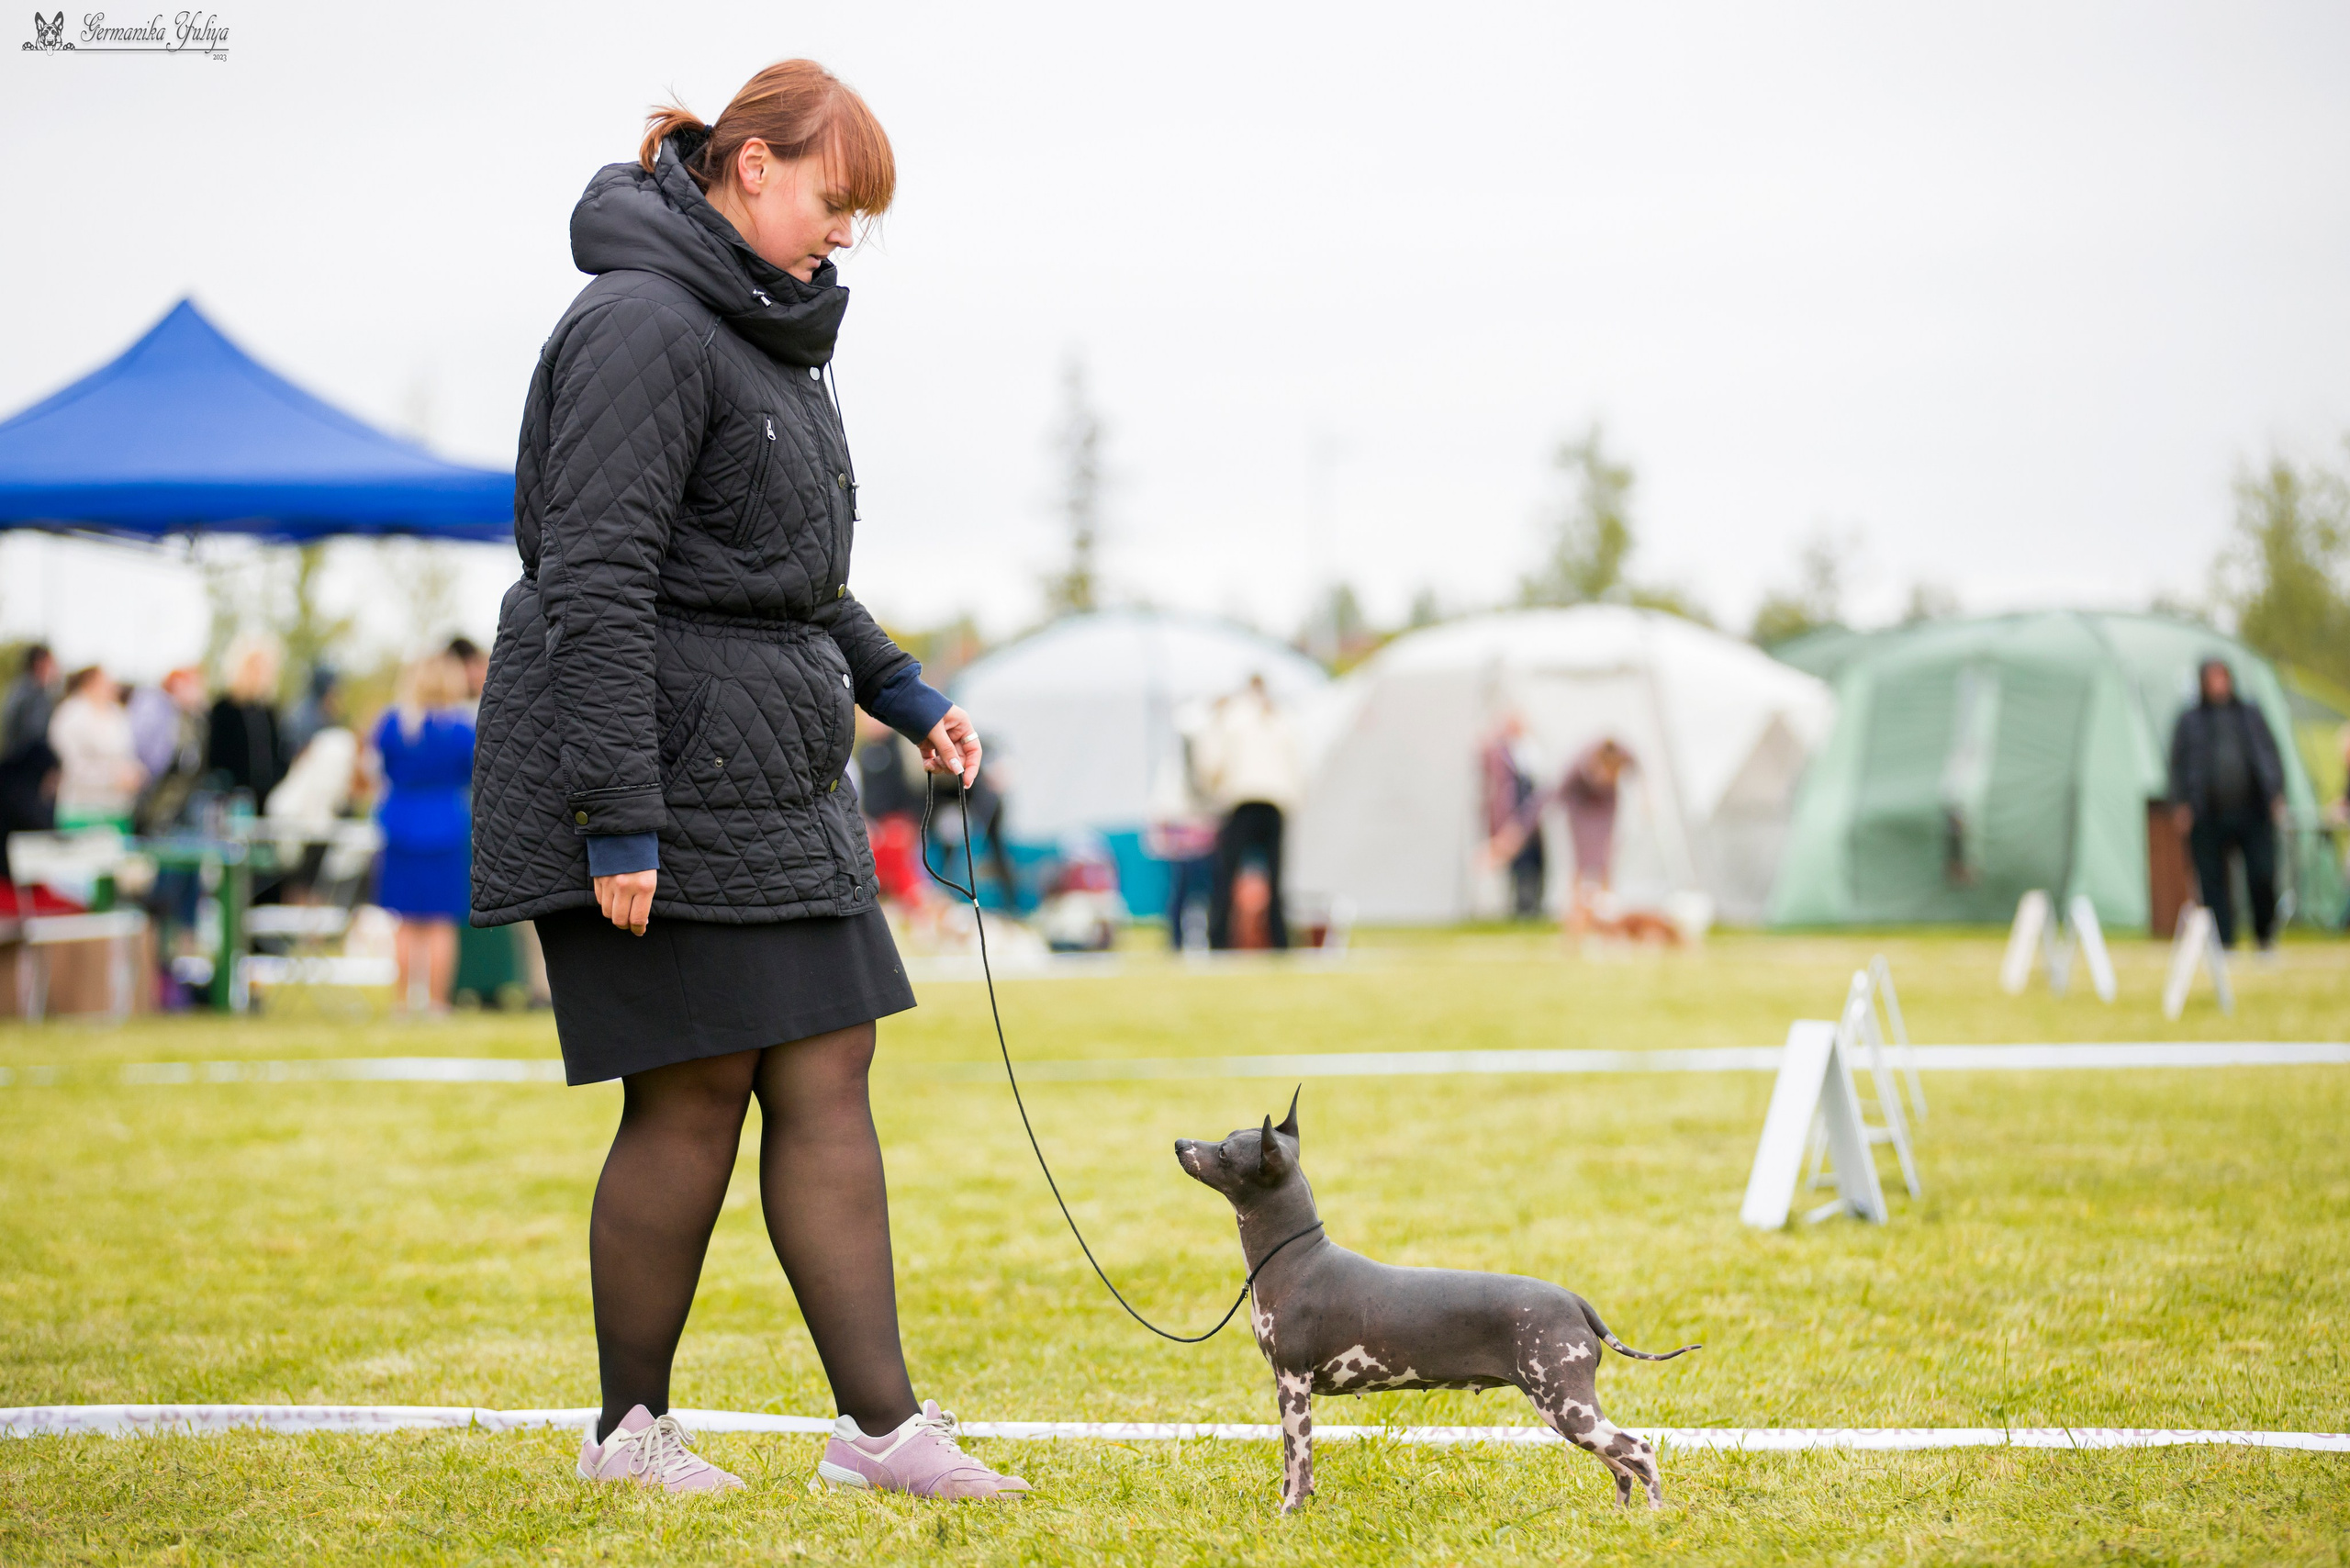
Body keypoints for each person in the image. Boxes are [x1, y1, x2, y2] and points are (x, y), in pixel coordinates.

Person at [466, 62, 1025, 1501]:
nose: (845, 235)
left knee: (831, 1062)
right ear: (754, 165)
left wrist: (906, 696)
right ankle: (628, 1434)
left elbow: (786, 583)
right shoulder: (639, 320)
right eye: (836, 202)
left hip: (778, 777)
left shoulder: (771, 337)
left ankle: (880, 1434)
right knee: (694, 1093)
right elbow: (594, 580)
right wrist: (620, 816)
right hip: (652, 770)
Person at [372, 653, 476, 1010]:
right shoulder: (462, 730)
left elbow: (382, 770)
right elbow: (470, 774)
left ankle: (402, 1002)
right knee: (440, 923)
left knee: (404, 921)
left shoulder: (392, 725)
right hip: (446, 825)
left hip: (400, 824)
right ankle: (436, 1003)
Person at [2168, 658, 2286, 949]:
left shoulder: (2249, 714)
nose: (2219, 684)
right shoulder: (2190, 720)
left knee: (2262, 874)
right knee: (2213, 883)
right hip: (2207, 814)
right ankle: (2225, 943)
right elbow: (2176, 764)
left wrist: (2276, 792)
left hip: (2253, 812)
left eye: (2222, 677)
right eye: (2212, 678)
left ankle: (2264, 937)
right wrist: (2180, 803)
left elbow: (2271, 754)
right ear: (2203, 683)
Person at [1196, 673, 1304, 950]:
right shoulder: (1281, 716)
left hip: (1240, 800)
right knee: (1277, 877)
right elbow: (1298, 762)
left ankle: (1218, 941)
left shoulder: (1231, 715)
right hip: (1275, 801)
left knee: (1226, 877)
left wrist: (1212, 793)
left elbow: (1210, 761)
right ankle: (1280, 942)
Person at [48, 666, 145, 832]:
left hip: (117, 810)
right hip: (82, 810)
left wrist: (135, 772)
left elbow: (128, 753)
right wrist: (112, 777)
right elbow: (69, 765)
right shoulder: (70, 715)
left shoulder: (117, 713)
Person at [1561, 738, 1634, 935]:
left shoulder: (1625, 755)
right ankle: (1575, 925)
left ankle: (1607, 923)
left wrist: (1648, 795)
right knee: (1580, 865)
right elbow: (1553, 794)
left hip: (1606, 807)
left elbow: (1640, 768)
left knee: (1606, 861)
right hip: (1580, 808)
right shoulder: (1578, 766)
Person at [206, 635, 285, 809]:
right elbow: (216, 756)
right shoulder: (224, 709)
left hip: (265, 801)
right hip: (232, 801)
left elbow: (277, 755)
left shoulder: (269, 712)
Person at [1481, 712, 1545, 919]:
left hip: (1530, 814)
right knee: (1519, 862)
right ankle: (1522, 906)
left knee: (1535, 860)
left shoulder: (1530, 749)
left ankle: (1533, 904)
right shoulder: (1498, 751)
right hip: (1512, 814)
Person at [1, 644, 59, 762]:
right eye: (52, 663)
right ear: (40, 663)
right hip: (26, 766)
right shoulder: (35, 695)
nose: (56, 669)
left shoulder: (19, 689)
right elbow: (36, 737)